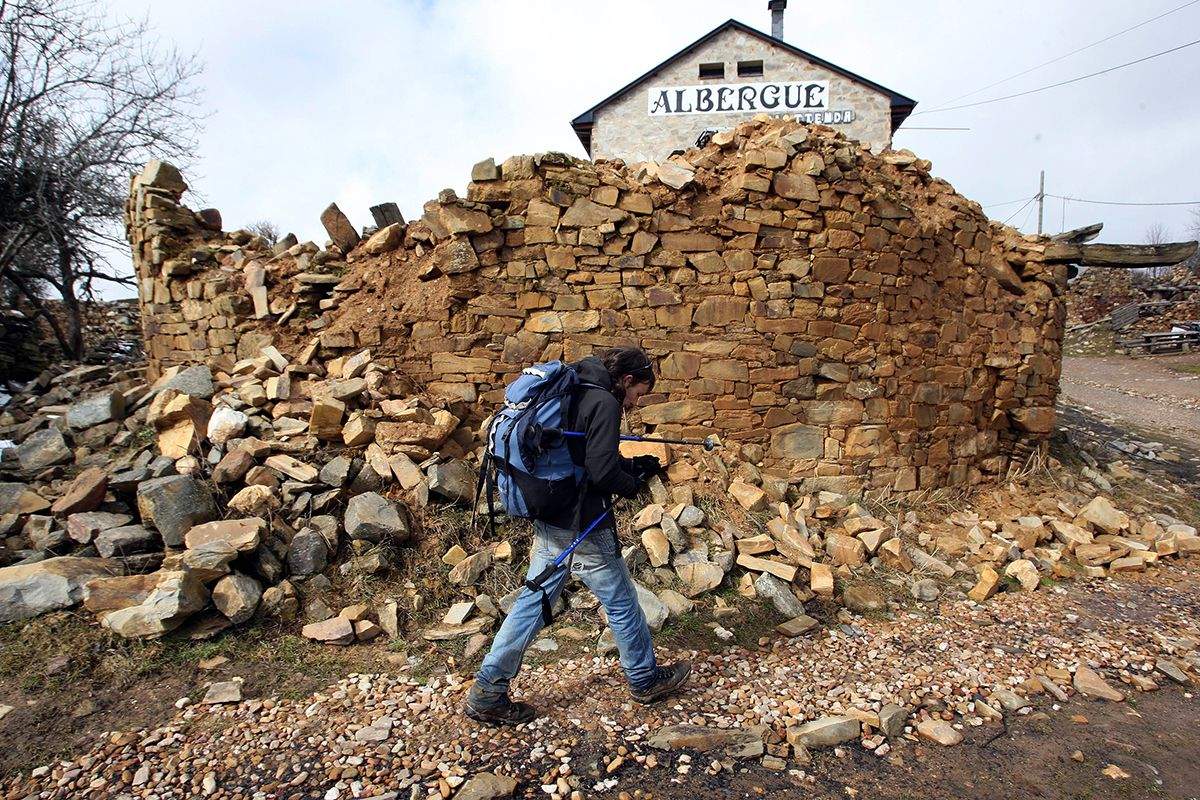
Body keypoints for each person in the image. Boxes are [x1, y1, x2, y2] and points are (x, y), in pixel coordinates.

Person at [465, 346, 692, 725]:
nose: (637, 402)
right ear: (627, 380)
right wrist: (633, 483)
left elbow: (582, 452)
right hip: (585, 520)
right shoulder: (605, 401)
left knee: (533, 599)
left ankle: (488, 691)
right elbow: (601, 472)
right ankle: (645, 678)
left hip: (552, 511)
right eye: (639, 393)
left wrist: (632, 464)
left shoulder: (574, 387)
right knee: (620, 602)